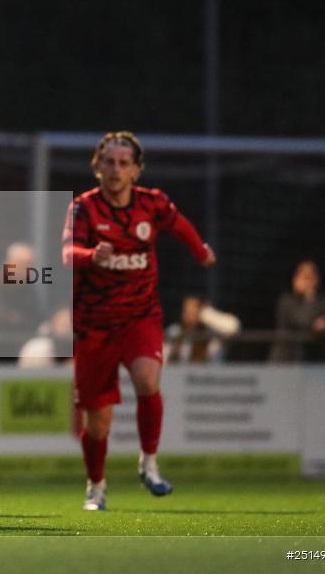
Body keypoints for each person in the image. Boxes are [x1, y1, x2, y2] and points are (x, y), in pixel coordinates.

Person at [61, 131, 215, 511]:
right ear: (97, 167)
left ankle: (149, 464)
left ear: (136, 170)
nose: (115, 170)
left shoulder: (153, 203)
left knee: (148, 380)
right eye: (108, 162)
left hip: (140, 316)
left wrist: (200, 251)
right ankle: (96, 486)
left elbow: (180, 226)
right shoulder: (84, 208)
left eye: (123, 163)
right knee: (98, 423)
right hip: (93, 324)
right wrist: (90, 254)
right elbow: (66, 252)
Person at [268, 260, 325, 362]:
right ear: (295, 278)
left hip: (314, 362)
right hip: (287, 361)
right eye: (305, 276)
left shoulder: (323, 299)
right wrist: (310, 296)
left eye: (312, 276)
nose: (309, 281)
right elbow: (303, 321)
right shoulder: (287, 300)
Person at [164, 295, 240, 363]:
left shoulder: (212, 333)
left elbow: (233, 327)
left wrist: (205, 314)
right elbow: (163, 359)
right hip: (178, 376)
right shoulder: (174, 331)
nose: (190, 314)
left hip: (207, 376)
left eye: (194, 309)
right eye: (186, 310)